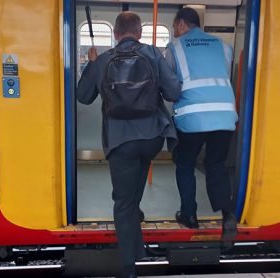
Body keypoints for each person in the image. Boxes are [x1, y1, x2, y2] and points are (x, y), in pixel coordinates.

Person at [76, 11, 181, 278]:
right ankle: (138, 247)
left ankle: (128, 269)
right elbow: (173, 92)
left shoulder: (103, 60)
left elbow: (83, 96)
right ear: (140, 32)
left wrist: (91, 63)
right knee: (132, 194)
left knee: (122, 201)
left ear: (115, 33)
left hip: (120, 139)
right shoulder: (153, 55)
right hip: (151, 138)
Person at [165, 7, 238, 240]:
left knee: (184, 163)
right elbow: (222, 75)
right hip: (225, 116)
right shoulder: (223, 46)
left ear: (183, 24)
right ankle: (227, 215)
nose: (175, 31)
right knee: (215, 164)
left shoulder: (175, 47)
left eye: (176, 26)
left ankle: (189, 216)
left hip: (192, 116)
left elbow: (170, 85)